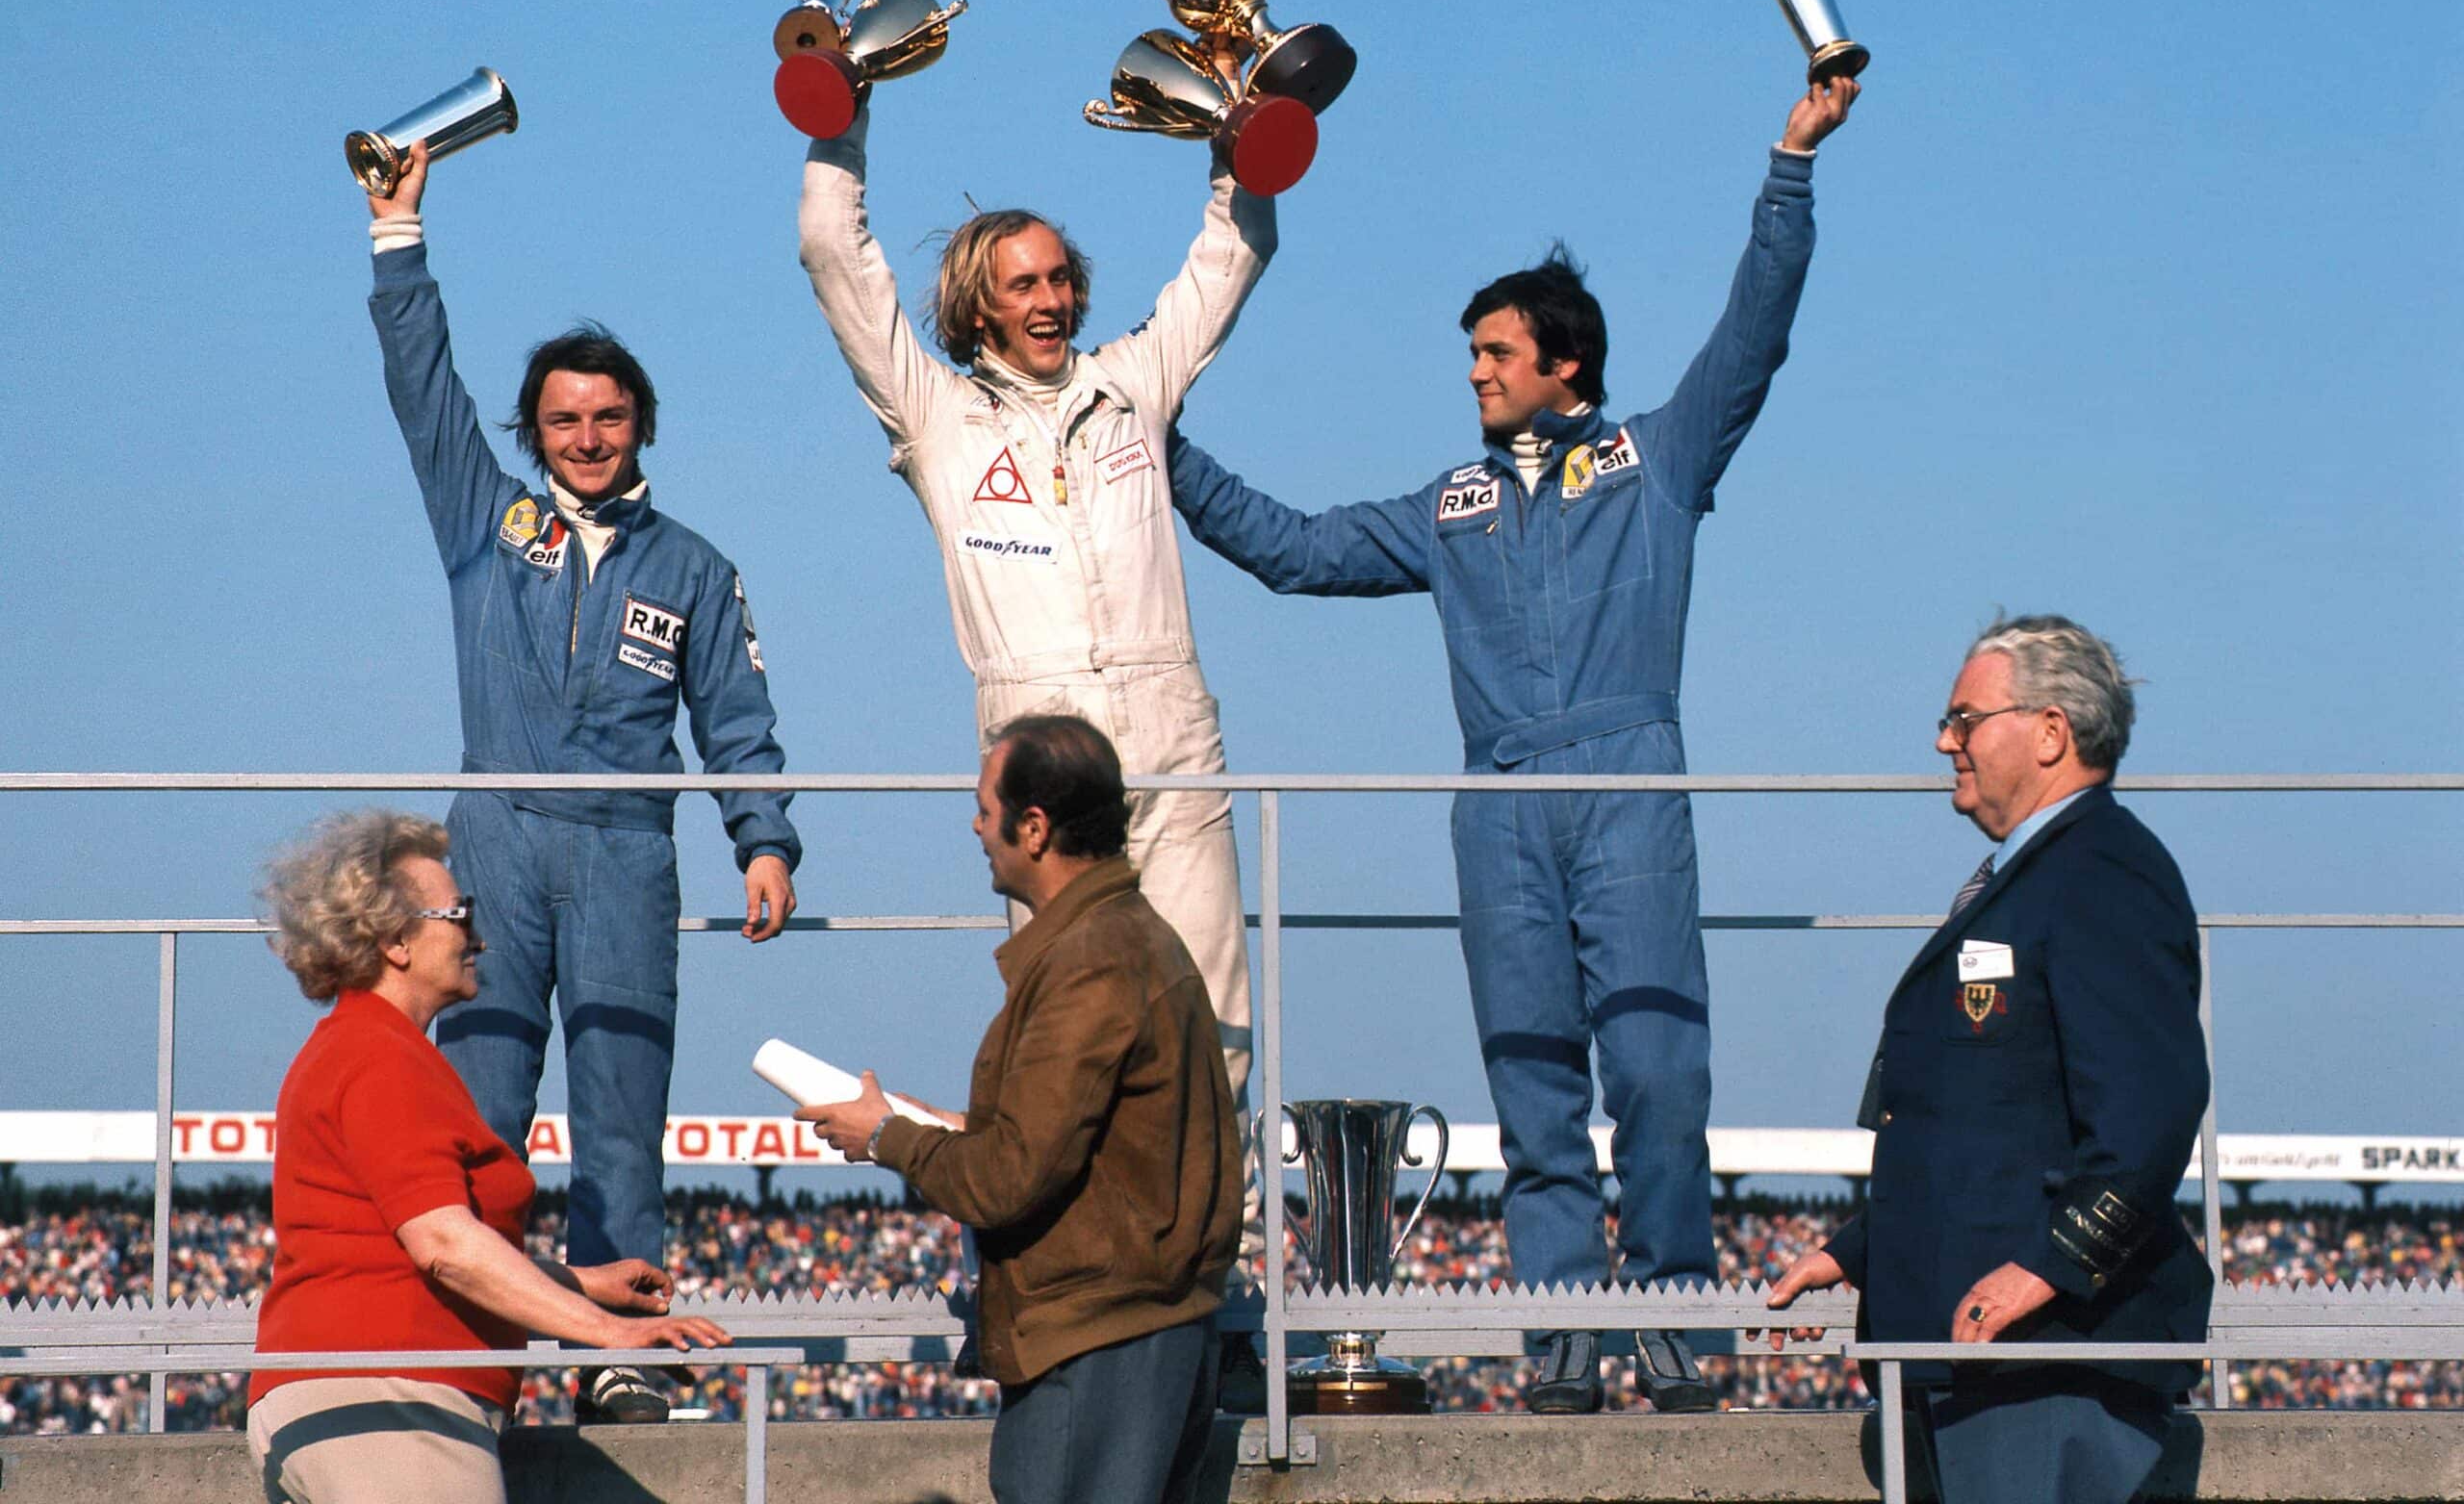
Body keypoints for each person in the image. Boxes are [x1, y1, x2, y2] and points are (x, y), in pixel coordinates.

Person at [1166, 73, 1860, 1411]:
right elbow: (1298, 553)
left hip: (1627, 781)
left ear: (1566, 365)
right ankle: (1563, 1350)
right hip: (1495, 804)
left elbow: (1755, 332)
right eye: (1474, 357)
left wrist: (1790, 166)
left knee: (1658, 1074)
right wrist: (1165, 446)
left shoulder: (1658, 459)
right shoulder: (1454, 502)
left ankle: (1673, 1340)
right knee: (1533, 1086)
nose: (1476, 374)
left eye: (1495, 354)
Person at [364, 143, 800, 1422]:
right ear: (531, 432)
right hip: (492, 841)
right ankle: (477, 1347)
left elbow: (738, 717)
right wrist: (399, 239)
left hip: (624, 850)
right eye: (563, 420)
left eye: (609, 418)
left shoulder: (699, 568)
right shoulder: (484, 527)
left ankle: (619, 1348)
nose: (588, 438)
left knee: (622, 1111)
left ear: (642, 426)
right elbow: (421, 390)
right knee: (482, 1104)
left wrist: (762, 840)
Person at [794, 101, 1270, 1199]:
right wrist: (847, 111)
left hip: (1168, 733)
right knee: (1069, 1022)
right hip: (1039, 752)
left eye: (1060, 278)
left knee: (1213, 1023)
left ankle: (1223, 1281)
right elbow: (834, 255)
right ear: (978, 305)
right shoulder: (937, 416)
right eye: (1024, 284)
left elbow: (1236, 248)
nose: (1050, 300)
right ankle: (1080, 1257)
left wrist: (1238, 124)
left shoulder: (1133, 385)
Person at [1758, 616, 2212, 1503]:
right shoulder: (2035, 877)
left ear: (2050, 733)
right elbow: (1990, 1118)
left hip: (2048, 1362)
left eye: (1965, 719)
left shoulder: (2103, 872)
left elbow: (2151, 1108)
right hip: (1974, 1353)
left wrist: (2053, 1265)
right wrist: (1861, 1247)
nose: (1943, 741)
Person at [798, 715, 1241, 1504]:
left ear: (1033, 828)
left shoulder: (1088, 962)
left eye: (983, 807)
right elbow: (1090, 1147)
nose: (974, 826)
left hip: (1096, 1345)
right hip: (1137, 1338)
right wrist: (933, 1129)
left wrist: (888, 1139)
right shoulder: (1128, 939)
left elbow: (1007, 1180)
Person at [247, 811, 730, 1503]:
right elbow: (443, 1243)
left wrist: (583, 1284)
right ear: (395, 941)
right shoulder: (380, 1058)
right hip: (389, 1404)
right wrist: (607, 1333)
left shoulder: (369, 1048)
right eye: (458, 912)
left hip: (355, 1404)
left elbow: (410, 1237)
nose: (478, 934)